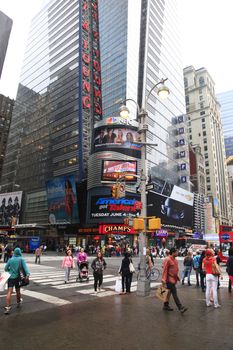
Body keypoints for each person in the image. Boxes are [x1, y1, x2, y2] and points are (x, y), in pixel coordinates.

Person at [4, 247, 30, 315]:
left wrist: (10, 270)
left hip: (10, 278)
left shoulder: (10, 259)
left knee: (9, 291)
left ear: (14, 252)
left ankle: (7, 307)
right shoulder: (21, 259)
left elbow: (5, 268)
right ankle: (18, 301)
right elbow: (25, 268)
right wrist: (27, 274)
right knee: (18, 290)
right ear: (19, 252)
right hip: (18, 278)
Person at [161, 247, 188, 313]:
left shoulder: (175, 260)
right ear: (173, 252)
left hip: (173, 279)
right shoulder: (167, 259)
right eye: (176, 252)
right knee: (174, 293)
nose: (178, 253)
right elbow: (164, 269)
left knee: (168, 294)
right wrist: (163, 280)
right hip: (169, 280)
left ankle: (165, 305)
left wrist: (177, 277)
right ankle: (180, 307)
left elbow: (175, 270)